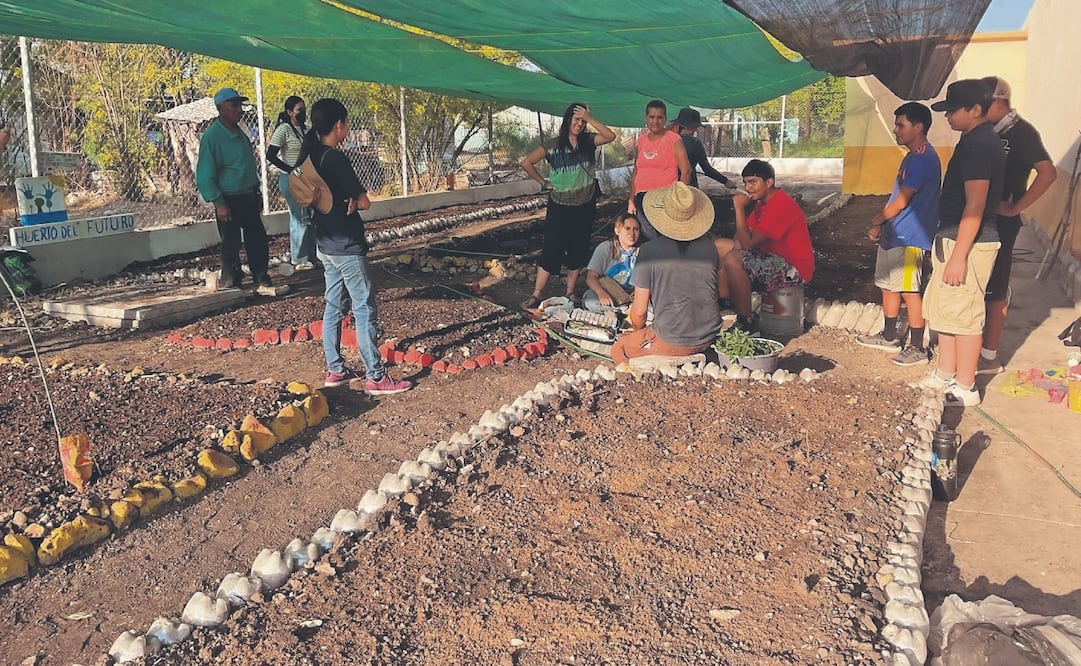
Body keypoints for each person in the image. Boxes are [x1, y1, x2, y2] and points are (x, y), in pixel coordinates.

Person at [297, 98, 411, 395]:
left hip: (326, 245)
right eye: (346, 123)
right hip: (347, 245)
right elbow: (364, 201)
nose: (347, 128)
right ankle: (375, 376)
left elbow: (328, 196)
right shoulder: (336, 158)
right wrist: (353, 200)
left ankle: (335, 369)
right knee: (363, 308)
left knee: (334, 306)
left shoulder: (310, 156)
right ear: (338, 125)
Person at [923, 79, 1006, 406]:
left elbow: (976, 204)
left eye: (952, 110)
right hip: (955, 238)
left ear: (975, 110)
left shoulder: (978, 145)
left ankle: (966, 386)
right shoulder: (975, 139)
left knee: (965, 315)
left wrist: (959, 256)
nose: (948, 116)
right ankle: (945, 373)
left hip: (968, 243)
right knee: (947, 311)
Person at [977, 75, 1057, 375]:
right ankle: (973, 344)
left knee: (996, 286)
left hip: (1001, 223)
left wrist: (1015, 208)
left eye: (982, 104)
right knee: (979, 284)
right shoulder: (987, 131)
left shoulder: (1022, 132)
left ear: (998, 102)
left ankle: (989, 355)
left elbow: (1048, 174)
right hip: (980, 220)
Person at [855, 102, 942, 366]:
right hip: (896, 234)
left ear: (919, 127)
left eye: (900, 125)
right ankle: (890, 336)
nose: (895, 130)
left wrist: (878, 220)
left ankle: (917, 347)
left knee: (909, 291)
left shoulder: (923, 158)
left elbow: (903, 200)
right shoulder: (912, 157)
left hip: (909, 237)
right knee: (888, 286)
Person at [611, 183, 722, 364]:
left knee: (619, 349)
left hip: (672, 339)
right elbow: (718, 291)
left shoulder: (649, 251)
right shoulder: (710, 245)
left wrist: (636, 332)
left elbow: (639, 313)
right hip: (710, 335)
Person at [520, 103, 616, 309]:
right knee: (551, 247)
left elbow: (610, 136)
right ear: (567, 120)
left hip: (584, 205)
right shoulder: (553, 145)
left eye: (582, 121)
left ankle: (570, 292)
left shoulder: (589, 141)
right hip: (559, 204)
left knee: (578, 248)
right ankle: (537, 293)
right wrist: (543, 182)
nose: (579, 124)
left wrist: (590, 118)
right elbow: (527, 163)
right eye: (576, 120)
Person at [716, 159, 814, 333]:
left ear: (769, 182)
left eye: (753, 182)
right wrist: (736, 251)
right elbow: (742, 237)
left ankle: (745, 321)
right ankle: (726, 301)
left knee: (733, 258)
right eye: (745, 182)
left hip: (794, 269)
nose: (747, 188)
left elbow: (749, 243)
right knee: (719, 246)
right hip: (770, 257)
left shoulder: (781, 204)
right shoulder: (762, 204)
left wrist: (738, 209)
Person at [196, 87, 277, 295]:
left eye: (239, 105)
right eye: (234, 105)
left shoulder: (239, 132)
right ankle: (231, 282)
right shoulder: (213, 137)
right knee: (230, 243)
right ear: (221, 108)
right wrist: (218, 202)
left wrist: (255, 190)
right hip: (228, 198)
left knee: (256, 238)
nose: (239, 110)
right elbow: (205, 174)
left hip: (247, 194)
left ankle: (261, 277)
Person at [627, 100, 692, 241]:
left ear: (665, 119)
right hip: (641, 199)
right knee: (646, 239)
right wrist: (631, 199)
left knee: (664, 239)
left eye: (659, 117)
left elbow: (686, 171)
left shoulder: (674, 140)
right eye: (652, 117)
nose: (655, 121)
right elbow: (636, 170)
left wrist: (679, 199)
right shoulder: (641, 141)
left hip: (664, 198)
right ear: (646, 118)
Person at [266, 95, 316, 271]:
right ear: (289, 112)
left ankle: (312, 256)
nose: (303, 113)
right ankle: (300, 258)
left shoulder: (305, 130)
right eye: (299, 110)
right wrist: (290, 170)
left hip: (307, 178)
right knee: (300, 217)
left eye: (304, 109)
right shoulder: (284, 130)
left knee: (311, 217)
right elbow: (270, 155)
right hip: (292, 178)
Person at [583, 212, 640, 311]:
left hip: (631, 296)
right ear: (617, 230)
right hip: (609, 291)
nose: (632, 233)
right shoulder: (606, 248)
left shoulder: (642, 251)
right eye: (627, 228)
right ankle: (622, 312)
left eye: (636, 229)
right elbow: (591, 277)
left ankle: (621, 312)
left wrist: (639, 293)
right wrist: (601, 292)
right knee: (590, 300)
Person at [669, 107, 736, 190]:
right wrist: (726, 181)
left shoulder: (667, 140)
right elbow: (707, 169)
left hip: (667, 187)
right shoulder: (694, 142)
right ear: (690, 127)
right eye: (695, 127)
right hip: (688, 188)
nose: (696, 129)